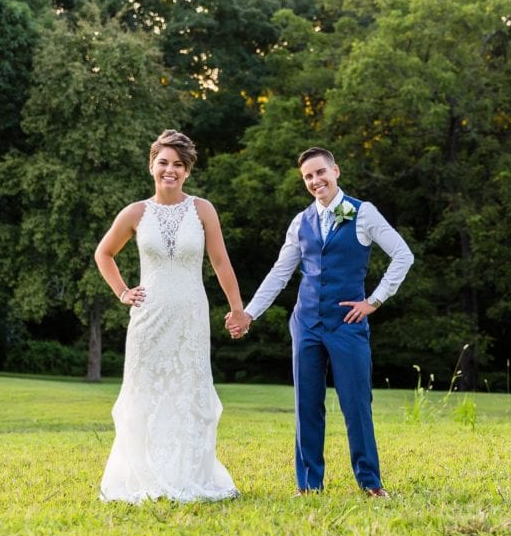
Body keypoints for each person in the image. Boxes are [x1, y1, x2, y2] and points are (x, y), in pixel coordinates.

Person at [226, 147, 413, 498]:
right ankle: (309, 485)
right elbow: (280, 273)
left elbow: (403, 255)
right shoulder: (300, 222)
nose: (315, 181)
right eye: (308, 177)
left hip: (347, 324)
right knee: (307, 404)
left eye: (320, 173)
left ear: (336, 171)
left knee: (356, 403)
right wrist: (249, 313)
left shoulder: (363, 213)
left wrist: (374, 301)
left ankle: (370, 483)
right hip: (306, 323)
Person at [95, 129, 244, 503]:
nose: (170, 170)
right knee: (146, 394)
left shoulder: (202, 209)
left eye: (179, 164)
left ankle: (187, 474)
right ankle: (144, 474)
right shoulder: (135, 213)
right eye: (164, 162)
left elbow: (221, 262)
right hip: (149, 319)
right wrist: (124, 292)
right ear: (152, 165)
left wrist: (237, 308)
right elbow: (104, 254)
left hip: (191, 317)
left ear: (188, 171)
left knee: (188, 394)